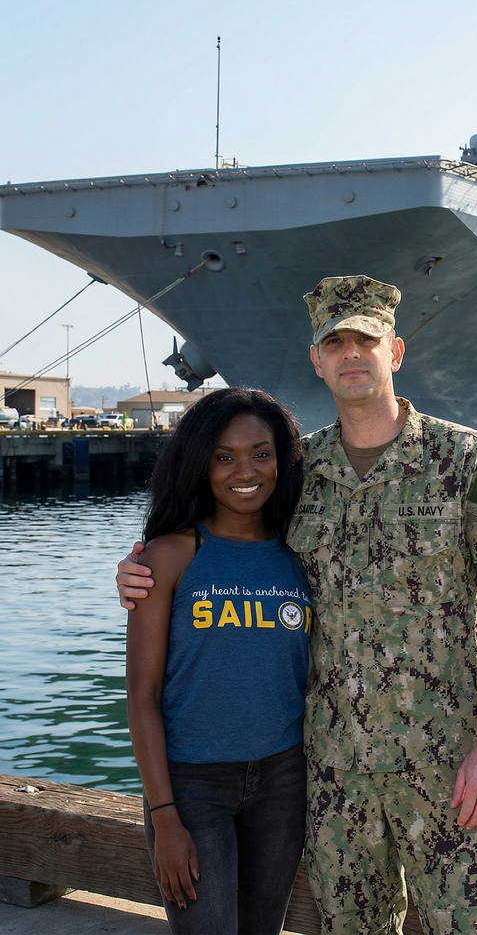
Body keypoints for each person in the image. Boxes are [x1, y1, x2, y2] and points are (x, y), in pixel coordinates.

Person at [119, 274, 477, 935]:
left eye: (365, 339)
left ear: (394, 352)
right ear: (316, 359)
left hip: (449, 765)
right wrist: (138, 570)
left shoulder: (466, 461)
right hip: (337, 780)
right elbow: (223, 537)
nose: (350, 353)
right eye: (333, 341)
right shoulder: (296, 472)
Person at [126, 387, 310, 935]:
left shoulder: (302, 555)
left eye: (261, 452)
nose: (244, 470)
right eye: (224, 456)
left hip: (283, 781)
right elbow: (141, 695)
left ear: (281, 460)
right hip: (192, 787)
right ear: (200, 464)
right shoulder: (170, 556)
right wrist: (164, 817)